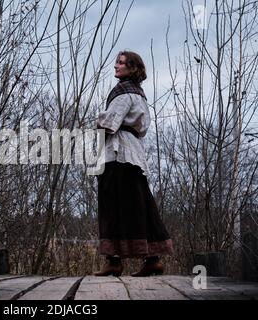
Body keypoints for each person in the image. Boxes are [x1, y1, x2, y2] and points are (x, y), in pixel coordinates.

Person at [93, 51, 174, 277]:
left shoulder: (123, 93)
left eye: (121, 63)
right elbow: (144, 128)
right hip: (134, 154)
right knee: (139, 205)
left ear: (132, 67)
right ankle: (151, 259)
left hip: (118, 154)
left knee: (114, 205)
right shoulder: (140, 95)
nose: (116, 66)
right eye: (116, 62)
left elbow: (109, 124)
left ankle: (115, 261)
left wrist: (95, 122)